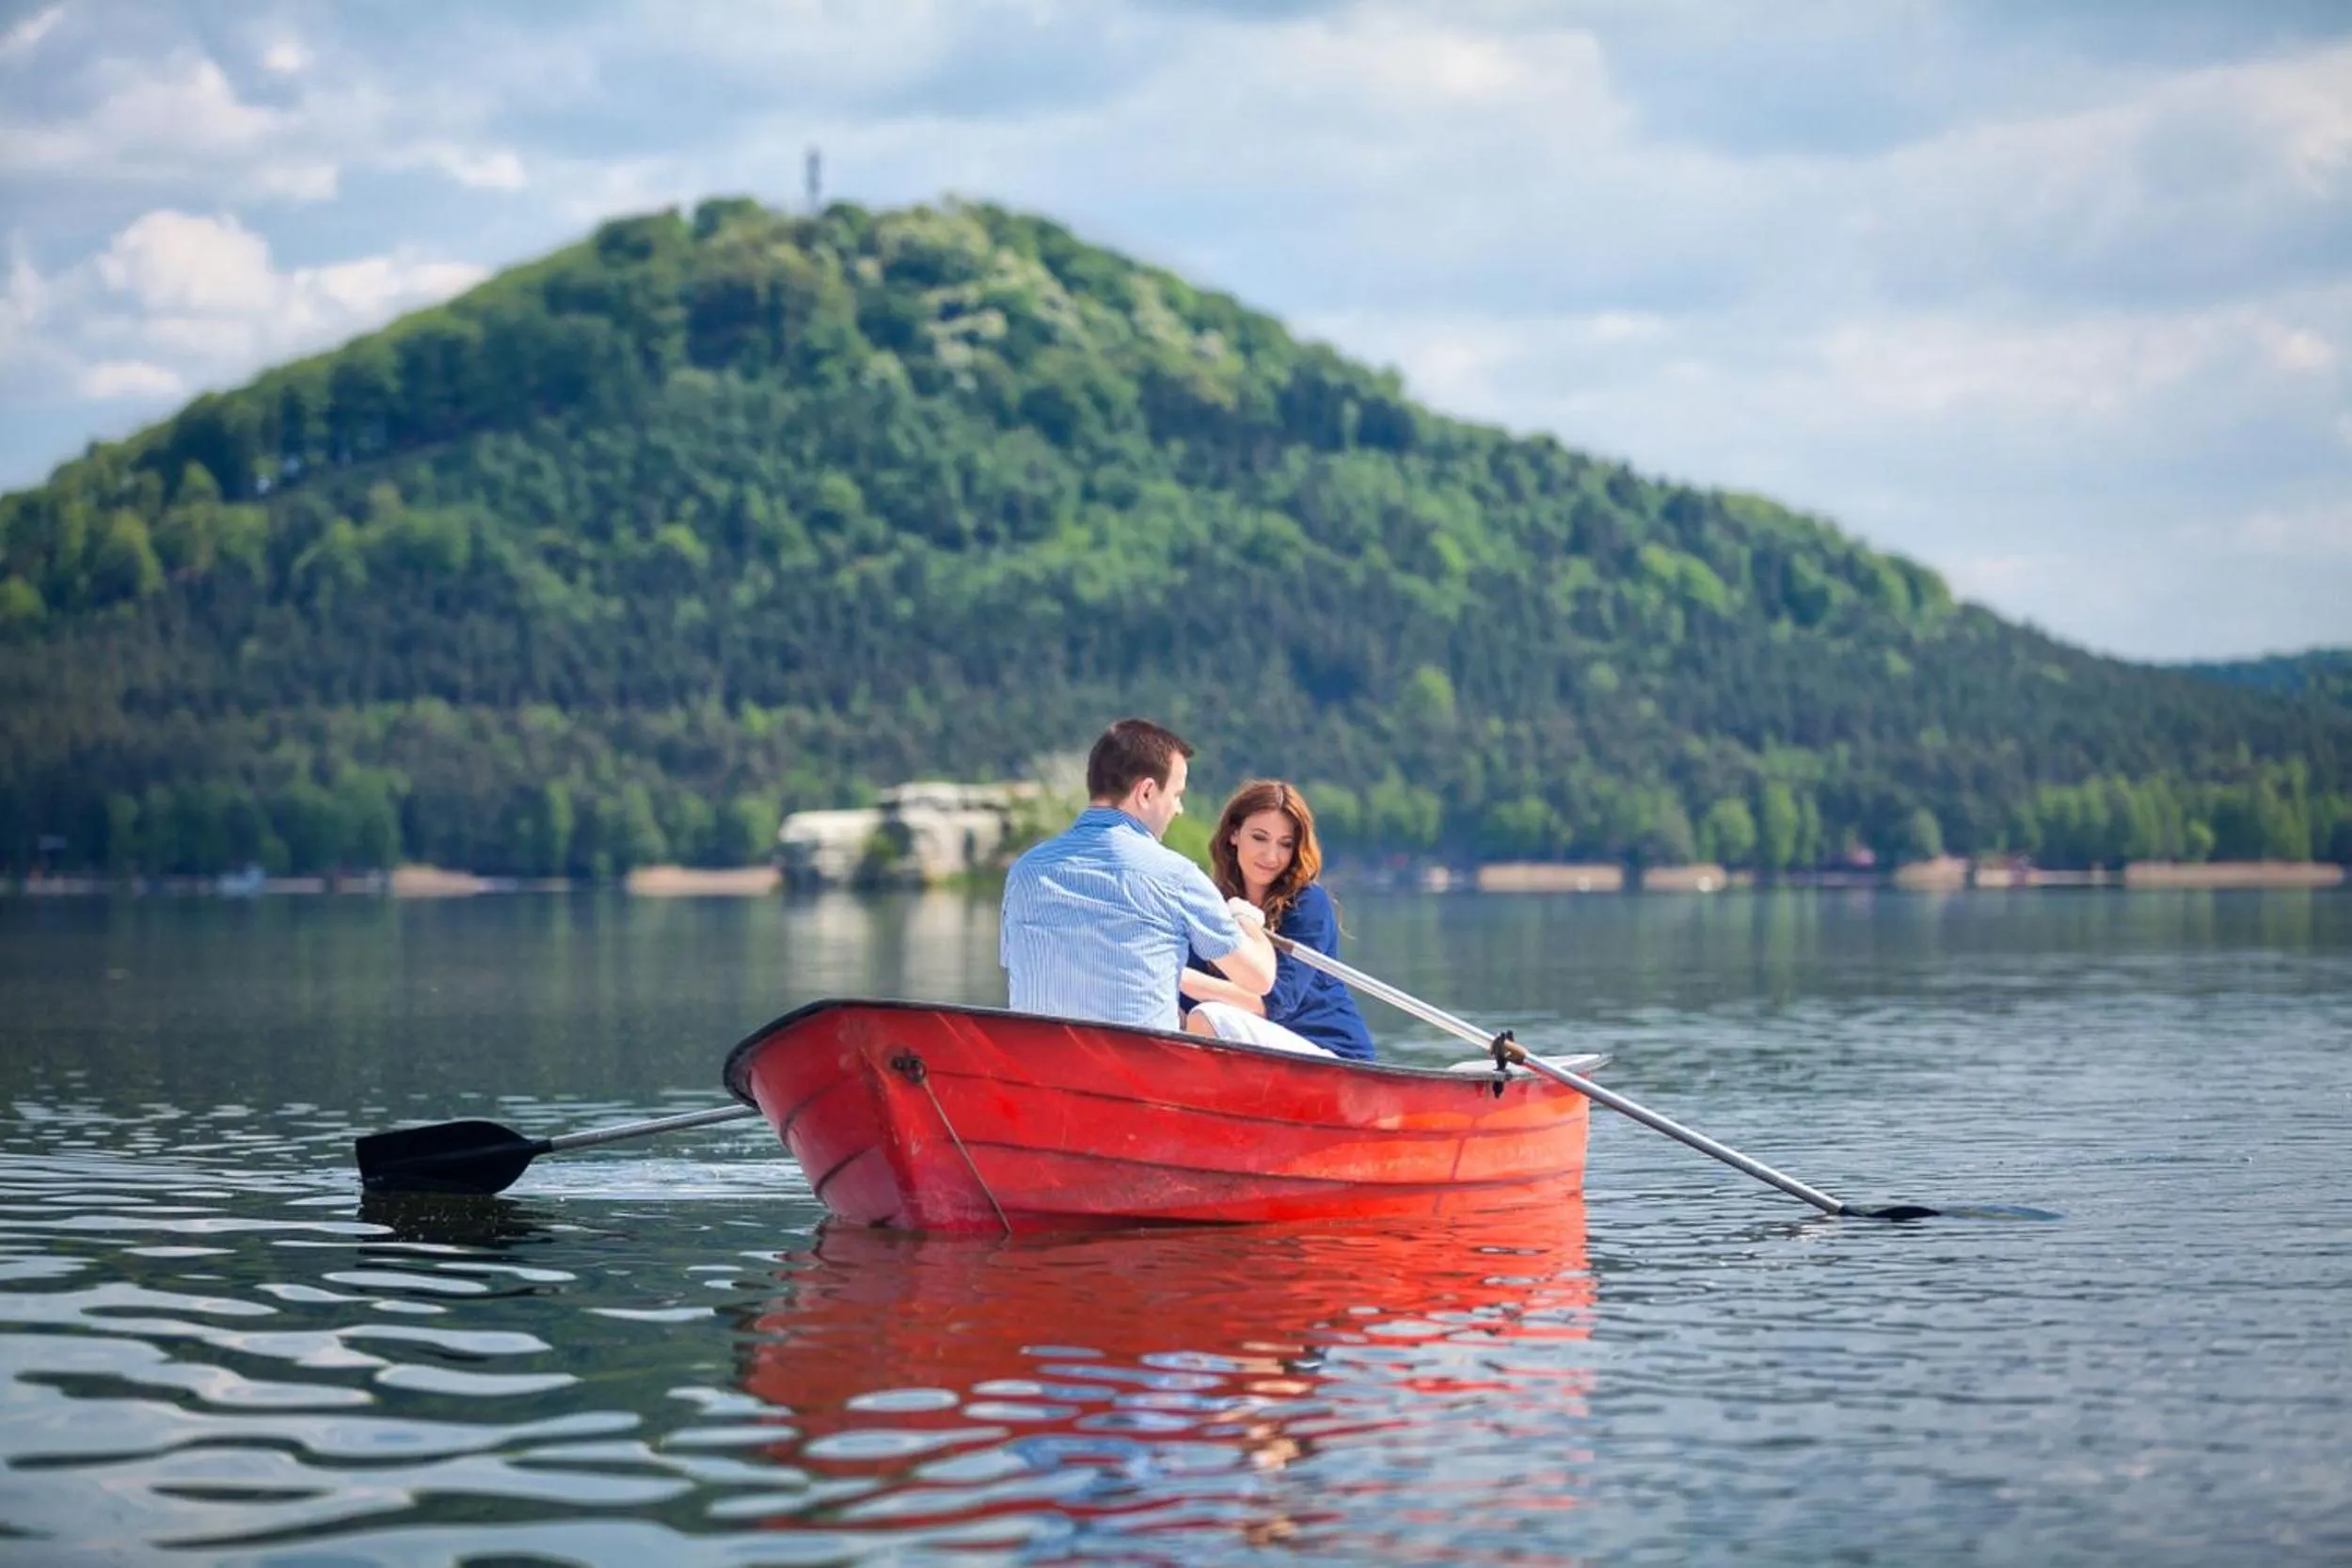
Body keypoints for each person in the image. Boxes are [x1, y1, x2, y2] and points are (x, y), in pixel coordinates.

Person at [1001, 718, 1276, 1031]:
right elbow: (1259, 979)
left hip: (1040, 1072)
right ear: (1146, 792)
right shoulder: (1176, 877)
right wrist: (1247, 921)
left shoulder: (1025, 872)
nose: (1179, 809)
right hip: (1140, 1075)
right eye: (1176, 794)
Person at [1181, 781, 1376, 1062]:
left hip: (1332, 1055)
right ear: (1234, 834)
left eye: (1285, 844)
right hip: (1263, 1056)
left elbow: (1275, 1004)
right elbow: (1186, 998)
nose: (1271, 856)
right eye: (1259, 838)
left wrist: (1177, 976)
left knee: (1210, 1015)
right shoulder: (1211, 904)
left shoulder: (1309, 903)